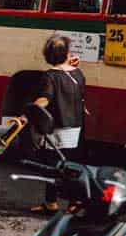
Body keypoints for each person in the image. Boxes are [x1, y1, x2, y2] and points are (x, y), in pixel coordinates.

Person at [26, 34, 85, 214]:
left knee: (52, 168)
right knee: (71, 165)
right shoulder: (78, 74)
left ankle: (51, 203)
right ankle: (75, 202)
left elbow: (45, 99)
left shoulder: (50, 76)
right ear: (67, 53)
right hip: (74, 127)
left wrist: (27, 114)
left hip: (56, 128)